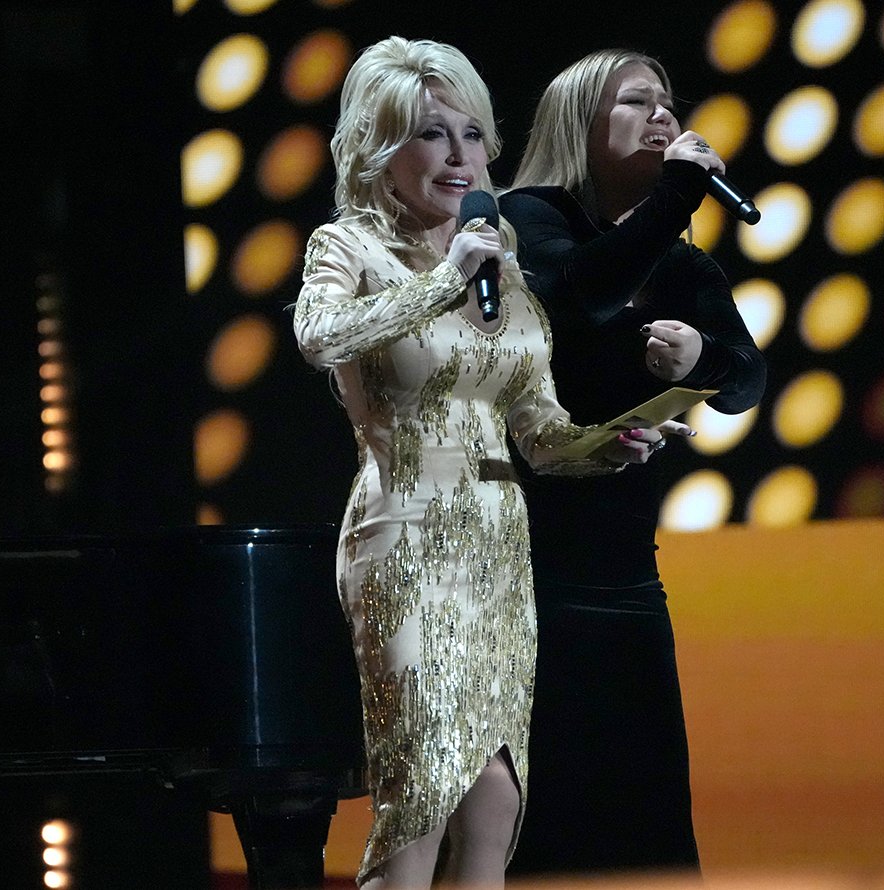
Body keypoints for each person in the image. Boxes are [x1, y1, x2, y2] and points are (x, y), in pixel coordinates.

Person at [291, 36, 687, 889]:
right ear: (380, 148)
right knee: (423, 789)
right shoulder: (351, 246)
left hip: (501, 550)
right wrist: (443, 281)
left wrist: (607, 444)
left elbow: (538, 429)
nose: (459, 157)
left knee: (497, 800)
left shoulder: (497, 254)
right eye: (432, 135)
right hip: (403, 536)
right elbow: (320, 335)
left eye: (472, 136)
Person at [498, 49, 768, 875]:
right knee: (544, 813)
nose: (662, 116)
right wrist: (678, 192)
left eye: (667, 104)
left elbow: (747, 379)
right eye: (635, 102)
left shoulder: (684, 267)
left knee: (642, 811)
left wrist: (702, 363)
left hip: (625, 578)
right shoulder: (525, 219)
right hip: (525, 570)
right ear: (580, 122)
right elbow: (582, 295)